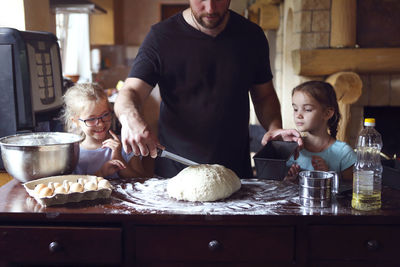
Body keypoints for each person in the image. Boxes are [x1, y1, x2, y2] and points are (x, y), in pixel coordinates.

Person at [114, 0, 302, 178]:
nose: (210, 8)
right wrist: (130, 118)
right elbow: (131, 91)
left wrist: (274, 128)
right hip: (176, 171)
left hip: (235, 171)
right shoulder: (161, 37)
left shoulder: (252, 36)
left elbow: (264, 97)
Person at [61, 83, 151, 179]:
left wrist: (118, 157)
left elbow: (142, 180)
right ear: (76, 121)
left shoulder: (127, 144)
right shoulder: (73, 154)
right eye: (91, 119)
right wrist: (101, 173)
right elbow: (77, 187)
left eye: (105, 115)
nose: (100, 123)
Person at [286, 81, 356, 181]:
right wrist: (289, 179)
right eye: (295, 109)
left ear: (327, 113)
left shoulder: (344, 153)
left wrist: (328, 176)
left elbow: (351, 191)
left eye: (308, 109)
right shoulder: (291, 149)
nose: (298, 115)